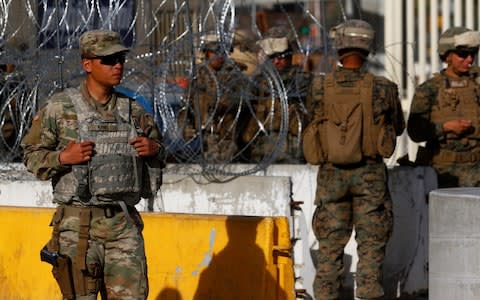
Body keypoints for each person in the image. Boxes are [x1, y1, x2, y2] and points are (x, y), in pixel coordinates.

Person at [21, 29, 165, 299]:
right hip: (78, 227)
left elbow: (161, 152)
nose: (118, 65)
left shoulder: (133, 111)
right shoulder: (60, 108)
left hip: (123, 225)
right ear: (87, 64)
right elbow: (31, 155)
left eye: (120, 59)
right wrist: (63, 158)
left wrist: (154, 149)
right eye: (108, 60)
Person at [304, 19, 405, 300]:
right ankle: (369, 292)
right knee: (371, 246)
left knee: (329, 246)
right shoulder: (383, 88)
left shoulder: (319, 88)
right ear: (368, 47)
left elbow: (312, 122)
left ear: (339, 47)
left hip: (331, 176)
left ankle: (325, 294)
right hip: (370, 175)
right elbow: (398, 126)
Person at [407, 27, 480, 188]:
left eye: (473, 54)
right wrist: (445, 128)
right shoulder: (430, 89)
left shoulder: (477, 84)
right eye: (463, 54)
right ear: (447, 55)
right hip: (443, 173)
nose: (469, 59)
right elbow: (415, 132)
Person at [241, 26, 310, 163]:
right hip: (261, 152)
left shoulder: (301, 81)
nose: (276, 61)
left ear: (290, 56)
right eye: (272, 57)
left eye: (281, 57)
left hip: (293, 151)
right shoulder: (258, 83)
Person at [178, 32, 247, 163]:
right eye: (214, 52)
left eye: (222, 51)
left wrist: (225, 104)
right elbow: (186, 106)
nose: (218, 56)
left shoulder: (235, 75)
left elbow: (242, 103)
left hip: (226, 138)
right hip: (202, 138)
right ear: (206, 53)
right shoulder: (197, 76)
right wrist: (186, 128)